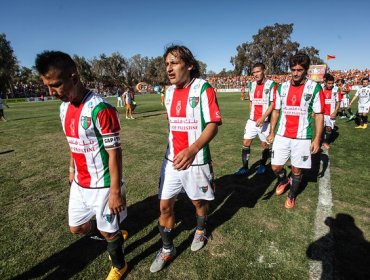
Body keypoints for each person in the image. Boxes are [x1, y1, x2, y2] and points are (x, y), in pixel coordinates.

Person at [35, 51, 128, 280]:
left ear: (74, 78)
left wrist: (115, 192)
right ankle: (113, 231)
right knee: (76, 228)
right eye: (47, 86)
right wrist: (71, 169)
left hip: (103, 184)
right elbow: (73, 142)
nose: (51, 92)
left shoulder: (101, 109)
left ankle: (119, 264)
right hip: (79, 183)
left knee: (107, 231)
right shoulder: (63, 108)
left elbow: (114, 153)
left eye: (55, 85)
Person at [150, 45, 222, 273]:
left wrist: (192, 149)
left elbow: (213, 125)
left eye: (174, 63)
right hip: (172, 160)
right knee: (164, 206)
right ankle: (167, 247)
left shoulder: (203, 89)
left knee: (198, 202)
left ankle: (201, 229)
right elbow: (173, 127)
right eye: (167, 64)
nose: (169, 69)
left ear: (189, 65)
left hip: (197, 160)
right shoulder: (168, 92)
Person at [267, 53, 324, 209]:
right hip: (281, 135)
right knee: (275, 167)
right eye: (293, 69)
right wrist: (272, 131)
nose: (296, 73)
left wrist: (317, 139)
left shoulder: (314, 88)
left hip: (302, 137)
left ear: (306, 70)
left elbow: (319, 115)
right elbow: (276, 111)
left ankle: (292, 195)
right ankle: (284, 180)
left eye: (299, 70)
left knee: (296, 169)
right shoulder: (282, 87)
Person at [235, 63, 276, 176]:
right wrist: (251, 115)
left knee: (264, 145)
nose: (256, 74)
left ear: (264, 71)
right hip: (252, 121)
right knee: (246, 142)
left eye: (258, 72)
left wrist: (263, 117)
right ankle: (244, 167)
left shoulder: (272, 85)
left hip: (265, 122)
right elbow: (251, 101)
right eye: (254, 72)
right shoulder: (252, 85)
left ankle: (262, 165)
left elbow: (273, 104)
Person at [322, 74, 341, 149]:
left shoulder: (336, 89)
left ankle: (326, 141)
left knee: (329, 128)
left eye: (332, 83)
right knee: (320, 128)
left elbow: (338, 102)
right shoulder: (321, 88)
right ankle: (321, 140)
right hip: (322, 112)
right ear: (325, 82)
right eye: (329, 83)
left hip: (331, 113)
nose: (331, 85)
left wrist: (335, 112)